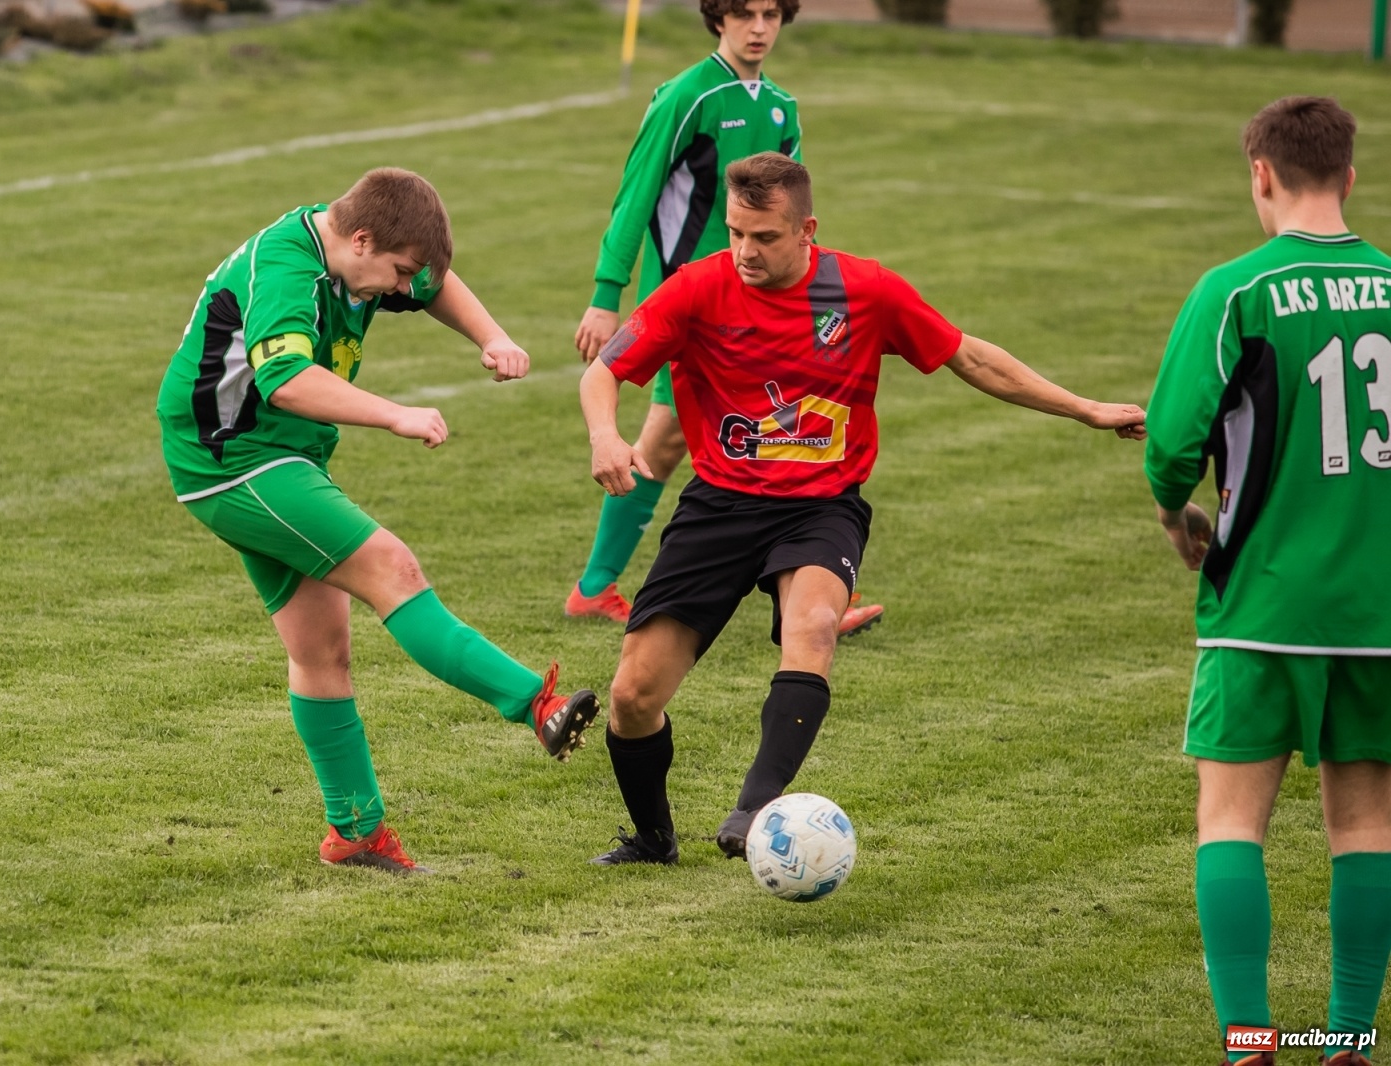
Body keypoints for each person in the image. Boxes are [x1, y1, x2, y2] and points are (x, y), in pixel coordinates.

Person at [579, 153, 1145, 864]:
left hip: (820, 508)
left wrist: (1086, 408)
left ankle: (756, 805)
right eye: (736, 234)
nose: (746, 252)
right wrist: (606, 434)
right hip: (720, 505)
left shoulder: (865, 291)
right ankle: (655, 838)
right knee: (633, 695)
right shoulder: (697, 289)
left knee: (813, 625)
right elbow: (605, 371)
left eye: (765, 237)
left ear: (806, 229)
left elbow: (971, 358)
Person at [155, 168, 599, 875]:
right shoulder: (288, 268)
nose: (400, 291)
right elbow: (287, 381)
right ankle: (534, 703)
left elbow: (434, 282)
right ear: (360, 239)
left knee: (321, 650)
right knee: (393, 567)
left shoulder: (359, 249)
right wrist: (397, 412)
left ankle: (355, 833)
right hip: (233, 461)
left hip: (278, 455)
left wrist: (491, 336)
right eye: (394, 274)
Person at [1143, 96, 1391, 1066]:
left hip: (1260, 606)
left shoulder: (1235, 291)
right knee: (1366, 822)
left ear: (1259, 175)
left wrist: (1177, 515)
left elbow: (1171, 444)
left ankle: (1250, 1044)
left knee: (1230, 820)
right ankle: (1346, 1041)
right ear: (1350, 177)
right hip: (1377, 611)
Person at [566, 0, 880, 638]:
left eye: (771, 13)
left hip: (759, 305)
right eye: (744, 14)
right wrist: (607, 292)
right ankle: (596, 587)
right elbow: (637, 192)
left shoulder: (782, 108)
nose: (759, 28)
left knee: (778, 423)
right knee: (672, 436)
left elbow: (790, 219)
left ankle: (808, 586)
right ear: (718, 18)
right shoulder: (688, 96)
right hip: (687, 303)